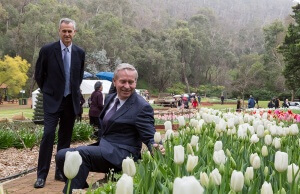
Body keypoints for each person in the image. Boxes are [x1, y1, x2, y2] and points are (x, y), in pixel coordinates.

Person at [55, 63, 165, 193]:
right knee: (61, 155)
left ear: (135, 82)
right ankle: (80, 185)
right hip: (105, 147)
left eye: (131, 82)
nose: (127, 86)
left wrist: (157, 146)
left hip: (122, 155)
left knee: (80, 155)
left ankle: (71, 191)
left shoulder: (141, 107)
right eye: (123, 81)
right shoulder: (110, 98)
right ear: (114, 81)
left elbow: (150, 135)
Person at [34, 18, 85, 188]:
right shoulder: (48, 50)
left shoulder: (80, 52)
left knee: (65, 139)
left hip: (70, 101)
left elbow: (78, 77)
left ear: (74, 32)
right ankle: (41, 175)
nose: (67, 34)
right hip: (52, 101)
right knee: (48, 134)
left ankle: (60, 171)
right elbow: (39, 75)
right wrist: (49, 92)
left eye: (70, 31)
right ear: (59, 31)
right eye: (64, 31)